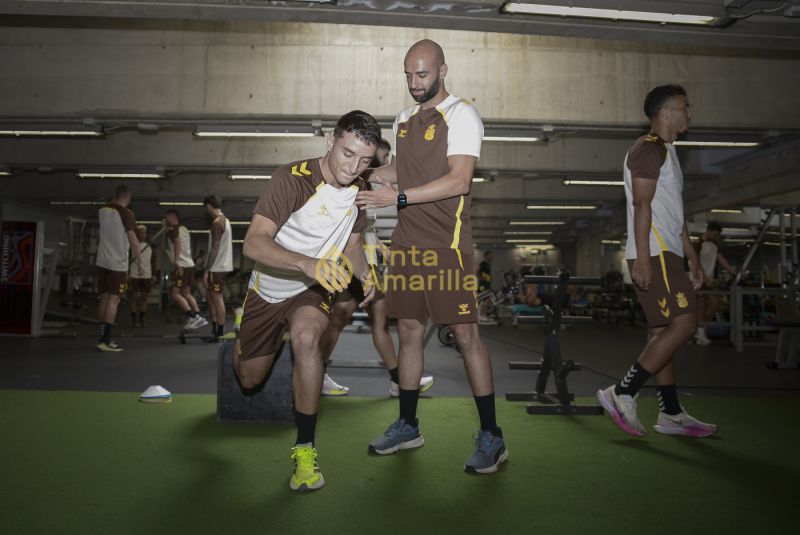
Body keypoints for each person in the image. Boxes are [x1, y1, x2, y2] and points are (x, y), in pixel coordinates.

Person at [356, 39, 508, 473]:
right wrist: (357, 175)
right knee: (407, 330)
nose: (414, 83)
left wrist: (396, 197)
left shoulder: (462, 115)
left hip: (447, 245)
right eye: (408, 75)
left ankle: (493, 436)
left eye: (421, 74)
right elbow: (401, 170)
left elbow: (459, 180)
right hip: (407, 245)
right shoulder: (403, 119)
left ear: (443, 70)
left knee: (464, 336)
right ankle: (407, 424)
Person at [234, 110, 381, 492]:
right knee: (248, 378)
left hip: (313, 288)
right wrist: (306, 262)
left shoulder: (358, 191)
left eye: (365, 160)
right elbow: (253, 242)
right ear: (330, 142)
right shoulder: (291, 179)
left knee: (305, 339)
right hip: (269, 288)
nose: (355, 167)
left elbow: (350, 244)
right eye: (348, 154)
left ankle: (304, 450)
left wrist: (364, 272)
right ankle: (242, 331)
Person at [596, 84, 718, 438]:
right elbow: (641, 205)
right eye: (684, 106)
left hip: (668, 252)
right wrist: (645, 259)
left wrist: (693, 259)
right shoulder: (648, 149)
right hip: (656, 253)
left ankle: (671, 413)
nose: (690, 112)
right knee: (684, 325)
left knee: (662, 331)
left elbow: (673, 217)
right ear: (666, 113)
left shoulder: (668, 151)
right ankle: (622, 392)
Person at [319, 138, 435, 398]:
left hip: (361, 262)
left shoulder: (367, 185)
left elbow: (364, 228)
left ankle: (320, 373)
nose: (386, 162)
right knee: (356, 318)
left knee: (355, 318)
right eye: (382, 158)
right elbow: (347, 231)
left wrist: (381, 248)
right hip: (350, 263)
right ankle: (394, 379)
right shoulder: (355, 185)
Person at [95, 185, 141, 352]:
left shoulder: (102, 210)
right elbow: (133, 239)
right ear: (128, 198)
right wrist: (141, 263)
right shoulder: (126, 213)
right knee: (113, 301)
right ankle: (105, 341)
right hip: (117, 264)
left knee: (104, 298)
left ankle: (102, 336)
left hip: (102, 262)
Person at [694, 221, 737, 345]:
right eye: (714, 233)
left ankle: (701, 329)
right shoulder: (698, 244)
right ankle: (700, 333)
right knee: (701, 306)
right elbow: (696, 263)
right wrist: (704, 278)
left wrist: (734, 272)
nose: (715, 236)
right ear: (708, 231)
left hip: (709, 280)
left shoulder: (714, 246)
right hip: (699, 279)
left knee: (715, 304)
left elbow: (721, 260)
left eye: (717, 234)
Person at [164, 209, 208, 331]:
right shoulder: (184, 229)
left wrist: (177, 262)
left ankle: (192, 316)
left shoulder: (173, 229)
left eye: (167, 217)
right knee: (186, 294)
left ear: (173, 216)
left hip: (182, 265)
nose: (166, 219)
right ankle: (198, 316)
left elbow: (177, 243)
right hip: (189, 264)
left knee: (175, 294)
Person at [202, 195, 233, 341]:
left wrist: (207, 269)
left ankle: (220, 333)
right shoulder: (225, 220)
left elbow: (215, 247)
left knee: (217, 297)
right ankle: (215, 329)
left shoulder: (217, 222)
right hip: (221, 266)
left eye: (206, 209)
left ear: (209, 206)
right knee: (211, 297)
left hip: (218, 266)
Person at [128, 224, 156, 328]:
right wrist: (127, 273)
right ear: (136, 233)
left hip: (147, 274)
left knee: (144, 297)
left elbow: (153, 261)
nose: (143, 234)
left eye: (144, 232)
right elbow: (126, 259)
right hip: (134, 273)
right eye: (140, 232)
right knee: (133, 296)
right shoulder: (131, 244)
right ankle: (134, 319)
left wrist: (154, 275)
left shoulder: (150, 246)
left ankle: (142, 318)